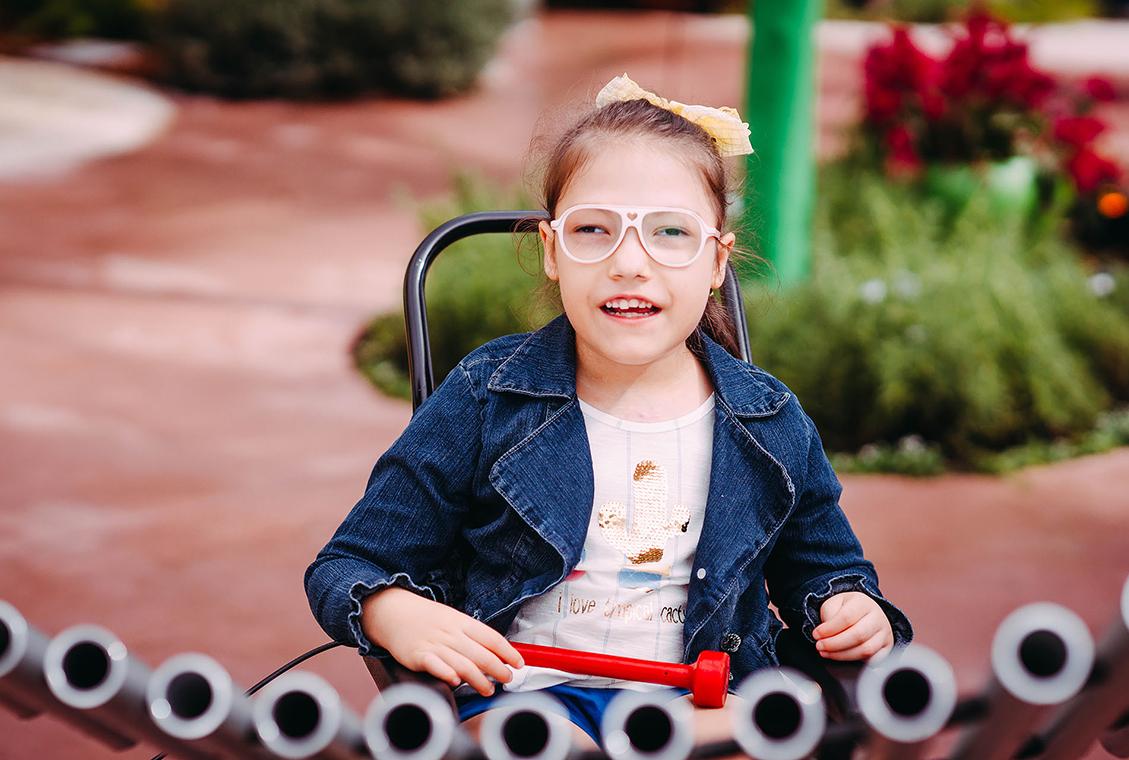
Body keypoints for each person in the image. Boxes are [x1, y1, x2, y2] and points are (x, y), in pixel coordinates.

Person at [305, 74, 912, 746]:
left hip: (699, 704)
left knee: (775, 734)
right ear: (552, 250)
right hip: (527, 702)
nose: (630, 262)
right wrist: (393, 611)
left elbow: (826, 567)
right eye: (593, 229)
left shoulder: (768, 422)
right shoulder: (488, 396)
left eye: (670, 233)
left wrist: (848, 605)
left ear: (716, 261)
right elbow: (348, 565)